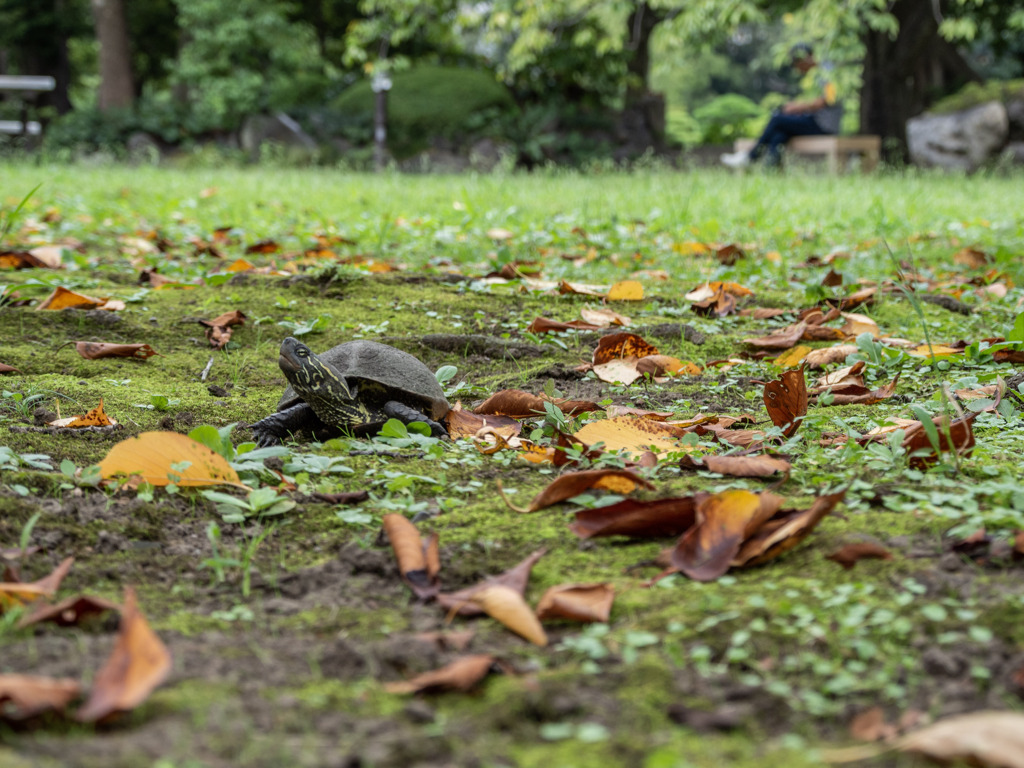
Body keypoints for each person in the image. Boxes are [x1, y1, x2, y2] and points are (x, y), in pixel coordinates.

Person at [720, 43, 843, 168]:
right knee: (780, 133)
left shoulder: (827, 72)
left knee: (777, 119)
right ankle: (770, 171)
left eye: (796, 63)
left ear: (806, 57)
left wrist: (796, 107)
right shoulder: (815, 75)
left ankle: (751, 157)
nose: (797, 69)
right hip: (814, 121)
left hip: (824, 126)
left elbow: (825, 101)